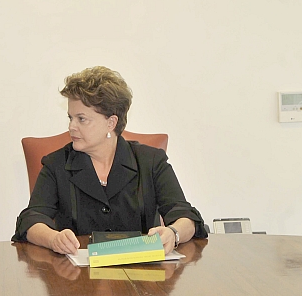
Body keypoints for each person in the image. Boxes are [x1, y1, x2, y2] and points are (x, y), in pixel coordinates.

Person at [13, 66, 205, 254]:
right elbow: (30, 220)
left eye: (81, 119)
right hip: (77, 272)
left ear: (111, 123)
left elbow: (186, 216)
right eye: (70, 117)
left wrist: (173, 233)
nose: (71, 126)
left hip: (142, 270)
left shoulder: (151, 161)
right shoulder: (56, 164)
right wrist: (53, 239)